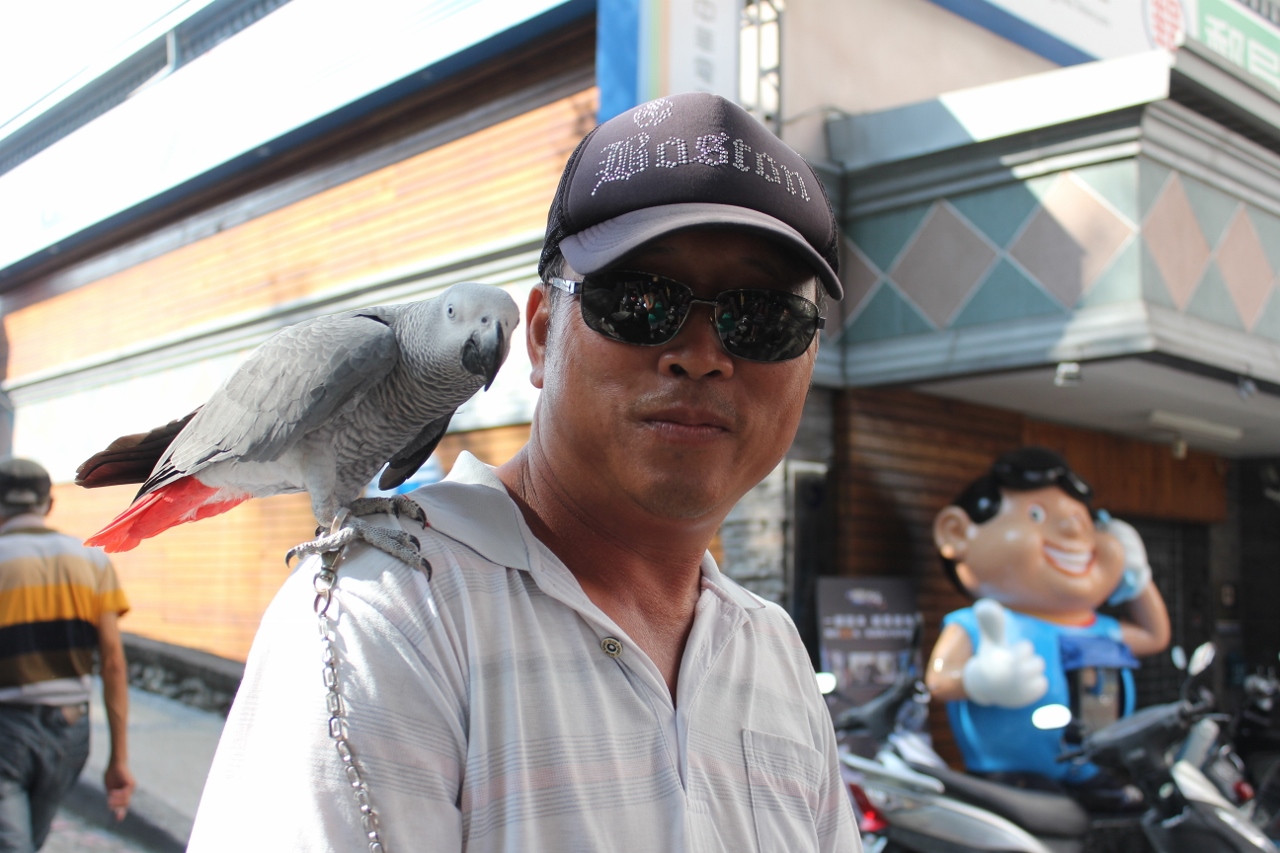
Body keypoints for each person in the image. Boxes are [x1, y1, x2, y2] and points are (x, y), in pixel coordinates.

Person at [189, 92, 861, 851]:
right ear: (541, 337)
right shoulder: (390, 617)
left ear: (808, 360)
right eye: (639, 301)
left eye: (764, 318)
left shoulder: (772, 649)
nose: (701, 355)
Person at [927, 447, 1170, 804]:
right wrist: (977, 681)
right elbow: (938, 681)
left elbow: (1155, 636)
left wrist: (1137, 576)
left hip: (1094, 772)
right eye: (1037, 515)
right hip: (1011, 781)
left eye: (1085, 522)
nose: (1073, 530)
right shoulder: (979, 623)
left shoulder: (1098, 626)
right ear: (957, 533)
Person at [0, 458, 134, 852]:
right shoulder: (91, 559)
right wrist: (119, 759)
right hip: (70, 733)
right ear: (48, 504)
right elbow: (113, 664)